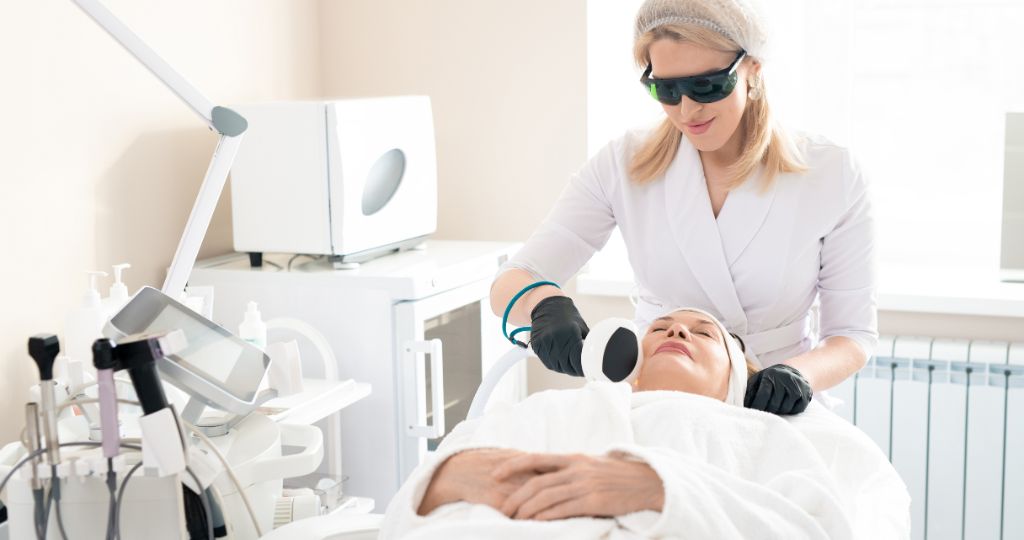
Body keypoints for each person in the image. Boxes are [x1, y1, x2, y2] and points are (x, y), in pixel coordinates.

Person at [490, 0, 877, 416]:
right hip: (654, 403)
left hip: (771, 404)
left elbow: (851, 336)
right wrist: (543, 303)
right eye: (667, 90)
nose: (687, 110)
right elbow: (513, 280)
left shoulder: (830, 173)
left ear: (753, 72)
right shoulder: (623, 165)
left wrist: (796, 375)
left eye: (709, 86)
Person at [380, 309, 909, 539]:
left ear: (735, 378)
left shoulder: (760, 435)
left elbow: (814, 532)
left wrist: (657, 489)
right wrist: (453, 477)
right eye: (660, 327)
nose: (678, 327)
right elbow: (406, 511)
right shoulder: (548, 411)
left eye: (704, 334)